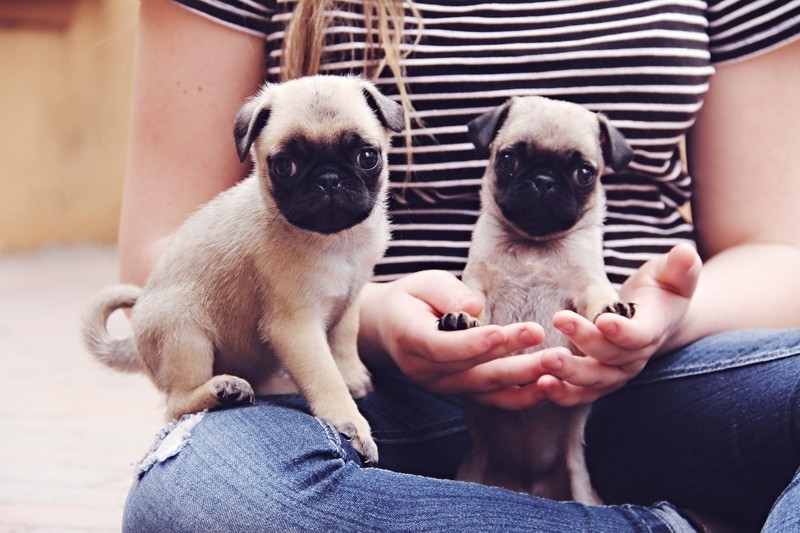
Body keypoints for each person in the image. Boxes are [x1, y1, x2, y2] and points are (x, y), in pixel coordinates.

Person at [118, 0, 800, 530]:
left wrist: (652, 321)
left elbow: (781, 251)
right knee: (205, 489)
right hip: (370, 394)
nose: (539, 185)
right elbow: (170, 259)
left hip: (651, 379)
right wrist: (373, 317)